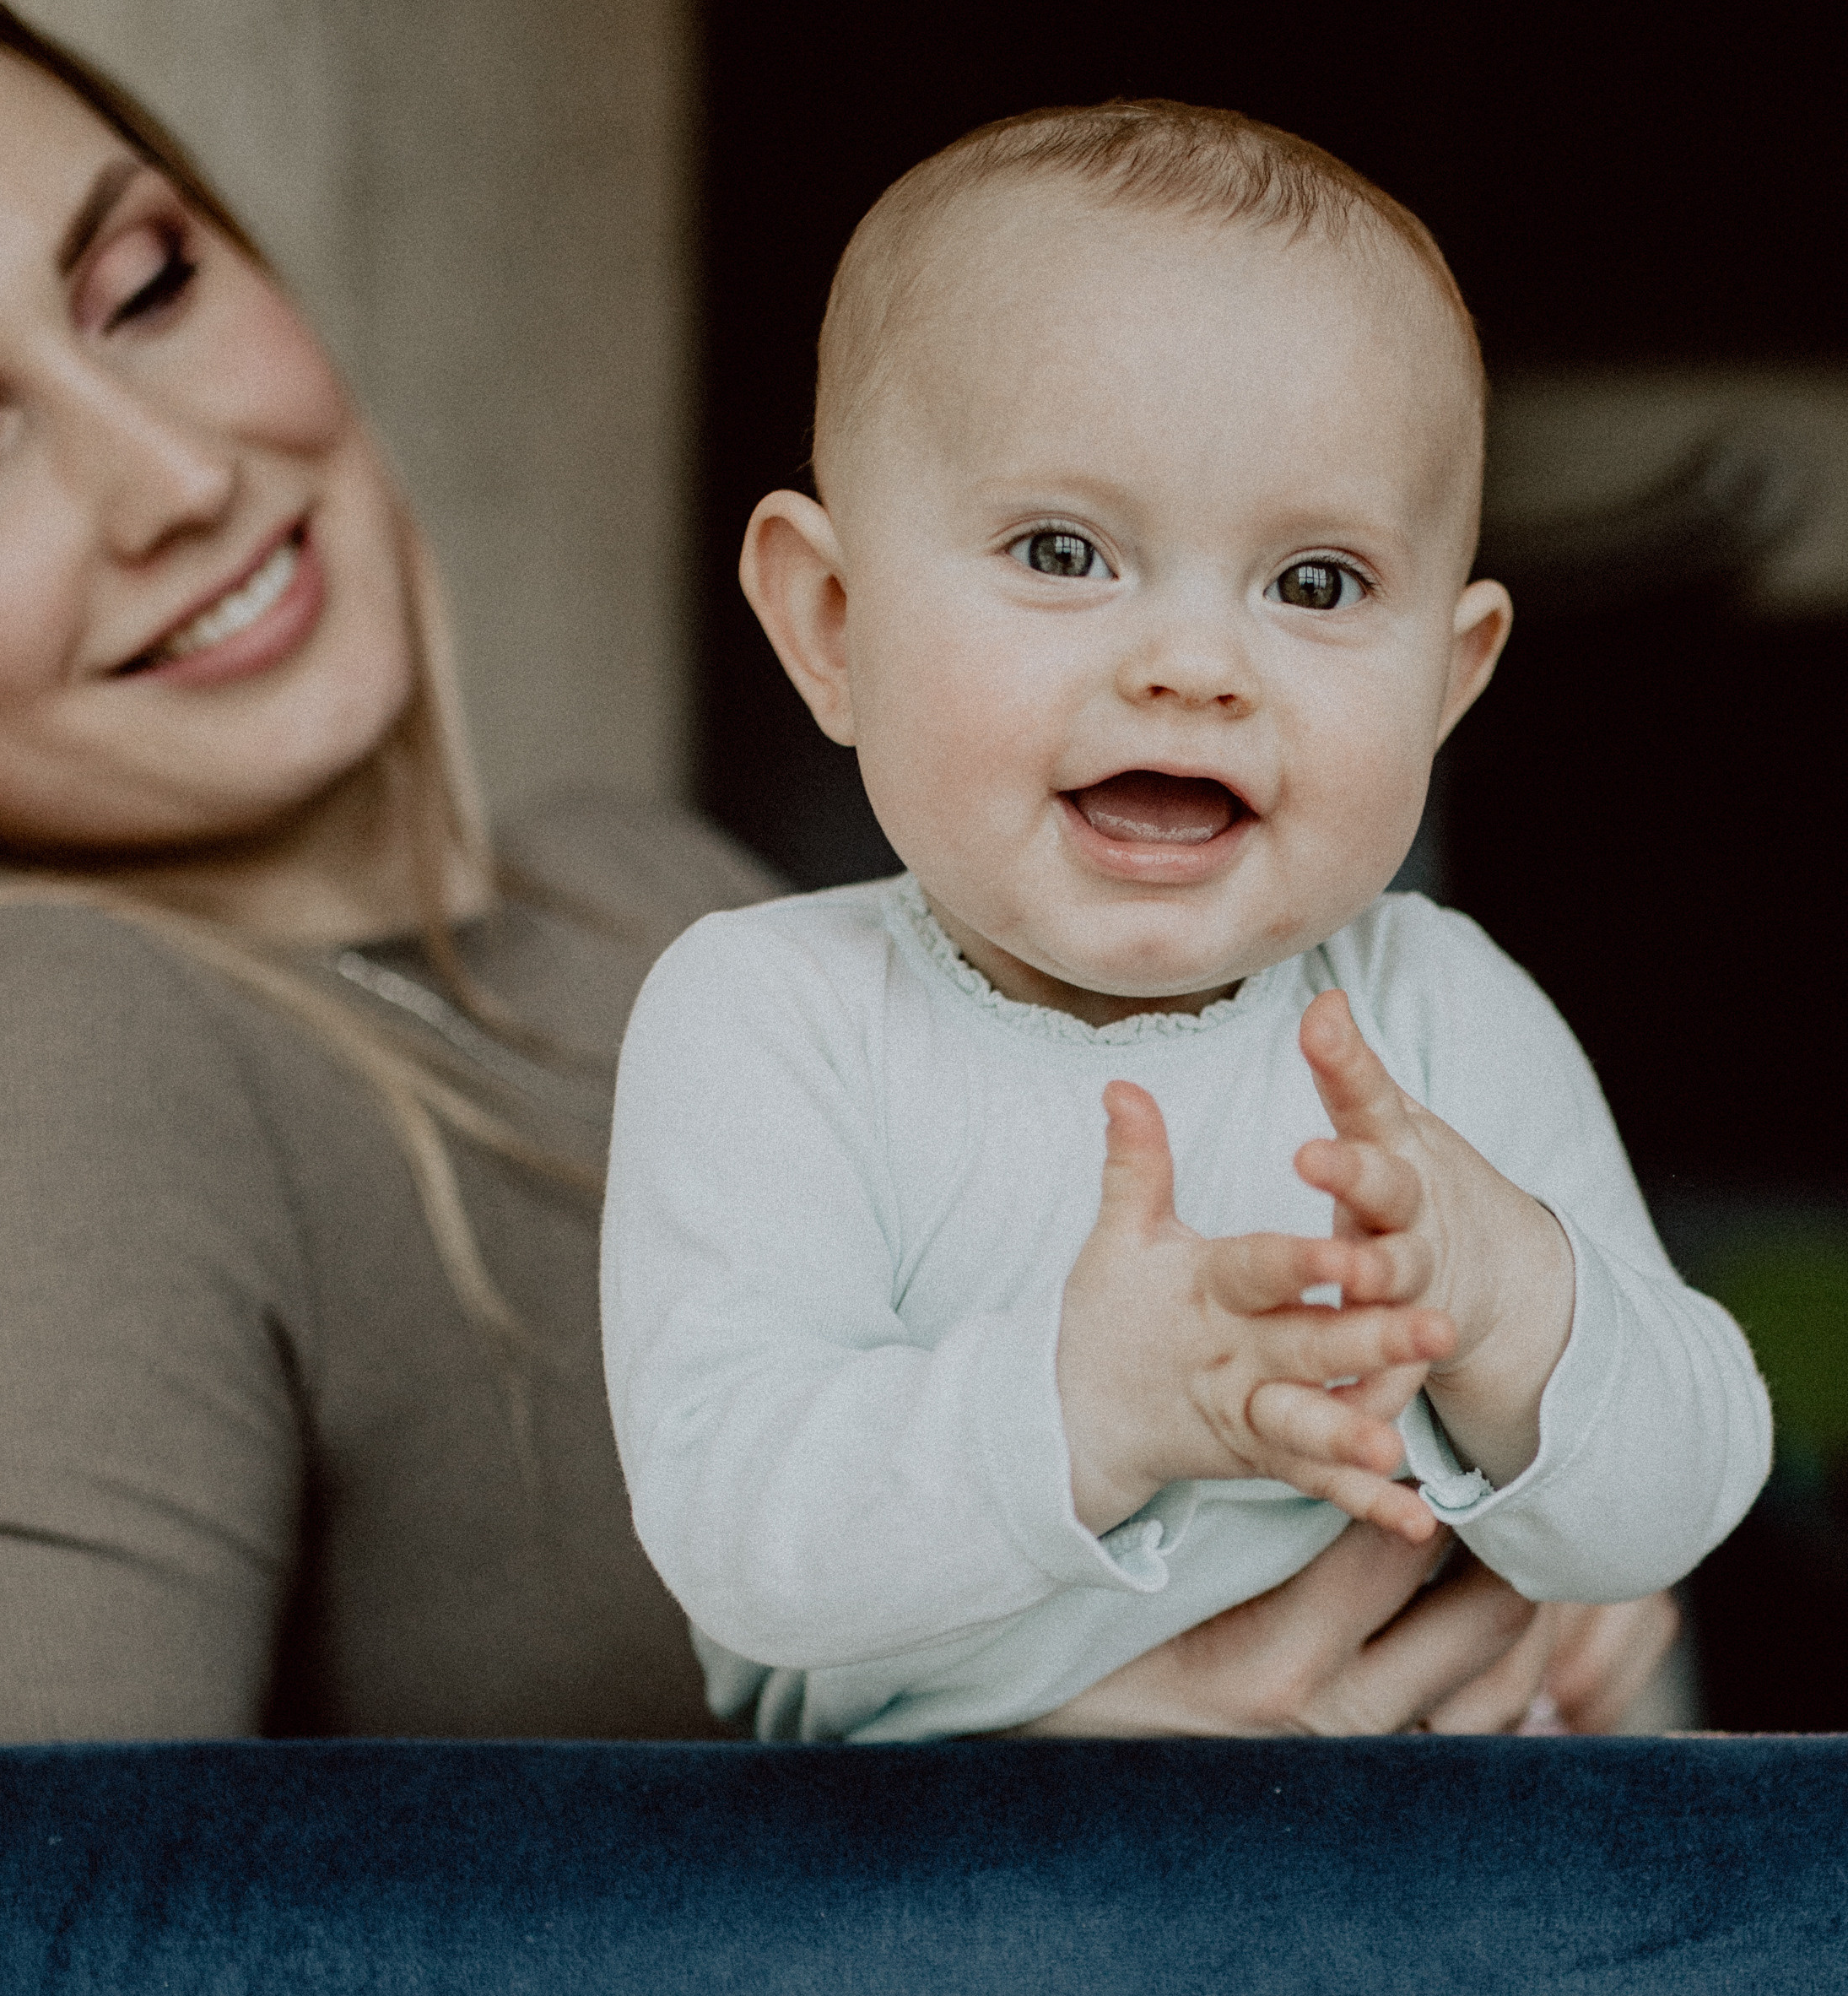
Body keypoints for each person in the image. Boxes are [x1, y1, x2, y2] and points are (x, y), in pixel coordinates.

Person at [0, 0, 1675, 1750]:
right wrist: (1008, 1810)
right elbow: (7, 1925)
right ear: (820, 609)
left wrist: (1550, 1517)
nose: (176, 475)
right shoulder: (45, 1046)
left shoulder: (634, 887)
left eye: (148, 285)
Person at [602, 101, 1770, 1744]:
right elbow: (738, 1539)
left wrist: (1512, 1303)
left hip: (1444, 1857)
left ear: (1445, 687)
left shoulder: (1431, 1017)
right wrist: (1086, 1402)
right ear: (833, 623)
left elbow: (1677, 1501)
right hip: (955, 1871)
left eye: (1313, 584)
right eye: (1063, 551)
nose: (1194, 666)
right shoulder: (771, 1018)